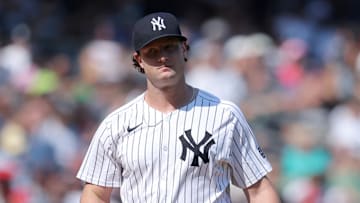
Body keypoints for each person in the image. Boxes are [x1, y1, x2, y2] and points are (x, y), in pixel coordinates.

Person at [76, 12, 280, 203]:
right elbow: (95, 191)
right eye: (152, 52)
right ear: (139, 60)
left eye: (169, 47)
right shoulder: (117, 123)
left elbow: (259, 188)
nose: (162, 57)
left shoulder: (224, 114)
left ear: (183, 49)